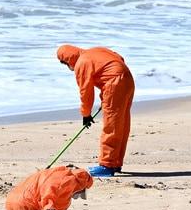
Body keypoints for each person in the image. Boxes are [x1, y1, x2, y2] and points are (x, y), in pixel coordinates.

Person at [56, 44, 136, 177]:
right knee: (122, 124)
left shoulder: (82, 63)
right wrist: (106, 96)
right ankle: (115, 163)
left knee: (112, 126)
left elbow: (85, 92)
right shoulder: (95, 51)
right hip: (127, 79)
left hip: (115, 84)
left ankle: (107, 165)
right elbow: (119, 59)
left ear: (67, 61)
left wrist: (86, 114)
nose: (69, 68)